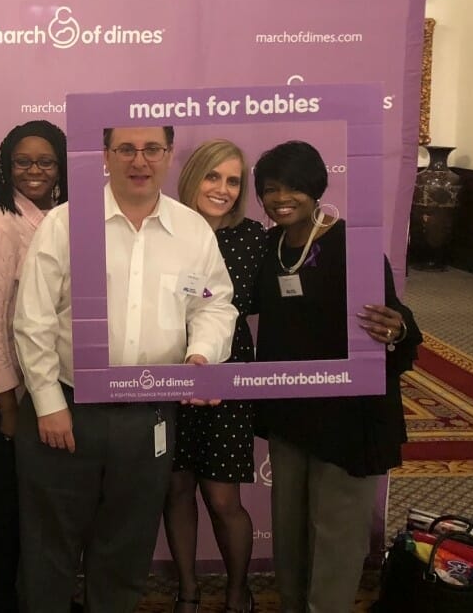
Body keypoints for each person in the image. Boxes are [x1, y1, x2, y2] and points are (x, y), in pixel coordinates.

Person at [13, 125, 238, 612]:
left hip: (150, 415)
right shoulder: (66, 223)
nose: (140, 160)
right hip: (66, 412)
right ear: (106, 155)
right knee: (47, 552)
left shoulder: (192, 230)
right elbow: (33, 317)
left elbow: (213, 305)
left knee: (126, 549)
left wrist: (201, 357)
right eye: (127, 149)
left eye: (152, 149)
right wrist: (49, 403)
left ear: (169, 155)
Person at [251, 140, 422, 613]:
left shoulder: (352, 242)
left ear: (317, 189)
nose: (281, 198)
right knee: (289, 531)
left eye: (294, 188)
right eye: (269, 190)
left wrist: (398, 327)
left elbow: (394, 317)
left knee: (337, 535)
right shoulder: (269, 246)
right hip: (290, 413)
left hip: (348, 415)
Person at [0, 120, 67, 612]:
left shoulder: (63, 220)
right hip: (0, 400)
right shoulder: (0, 227)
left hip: (47, 394)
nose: (34, 171)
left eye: (45, 161)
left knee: (40, 513)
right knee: (2, 513)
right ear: (6, 166)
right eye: (23, 161)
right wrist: (7, 404)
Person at [165, 139, 265, 613]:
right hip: (164, 371)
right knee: (176, 487)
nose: (222, 189)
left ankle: (236, 590)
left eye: (232, 180)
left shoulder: (253, 238)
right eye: (213, 176)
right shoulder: (163, 228)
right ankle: (187, 590)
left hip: (228, 376)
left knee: (224, 498)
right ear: (192, 177)